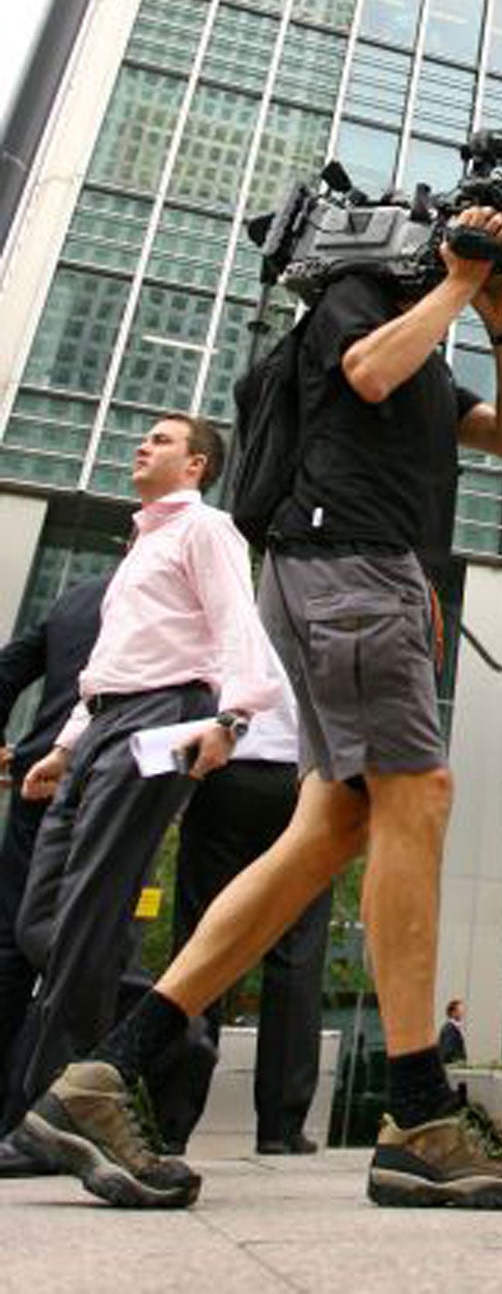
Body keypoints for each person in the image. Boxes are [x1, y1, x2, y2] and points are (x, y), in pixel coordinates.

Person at [19, 209, 502, 1215]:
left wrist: (499, 320)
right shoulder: (352, 300)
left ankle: (104, 1075)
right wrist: (453, 284)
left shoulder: (422, 334)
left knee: (329, 828)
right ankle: (419, 1113)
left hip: (363, 575)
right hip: (350, 565)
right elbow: (367, 370)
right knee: (419, 797)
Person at [12, 417, 280, 1128]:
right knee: (42, 920)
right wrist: (66, 746)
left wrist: (234, 719)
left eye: (160, 441)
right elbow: (115, 658)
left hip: (161, 720)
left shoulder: (207, 529)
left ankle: (53, 1115)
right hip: (99, 725)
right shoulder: (143, 545)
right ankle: (176, 1033)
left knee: (90, 915)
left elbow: (238, 626)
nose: (142, 446)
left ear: (195, 465)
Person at [151, 638, 332, 1158]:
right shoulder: (327, 614)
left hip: (230, 775)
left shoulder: (243, 611)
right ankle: (281, 1125)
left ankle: (172, 1118)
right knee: (296, 954)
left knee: (202, 938)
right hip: (301, 786)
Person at [0, 572, 109, 1170]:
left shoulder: (75, 597)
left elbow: (9, 669)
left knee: (15, 939)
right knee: (85, 941)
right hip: (104, 780)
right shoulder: (162, 594)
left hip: (36, 776)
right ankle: (45, 1108)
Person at [438, 998, 467, 1066]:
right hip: (452, 1067)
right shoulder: (449, 1029)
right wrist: (458, 1061)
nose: (463, 1013)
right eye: (460, 1011)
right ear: (453, 1013)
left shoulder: (453, 1028)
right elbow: (448, 1050)